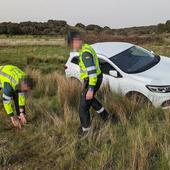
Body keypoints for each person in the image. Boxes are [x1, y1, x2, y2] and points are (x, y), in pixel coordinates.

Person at [67, 32, 109, 135]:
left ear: (77, 41)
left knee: (83, 107)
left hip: (92, 80)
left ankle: (86, 131)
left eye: (72, 43)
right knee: (91, 100)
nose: (71, 46)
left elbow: (92, 73)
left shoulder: (85, 53)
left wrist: (90, 89)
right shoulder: (86, 47)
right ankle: (106, 117)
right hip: (95, 79)